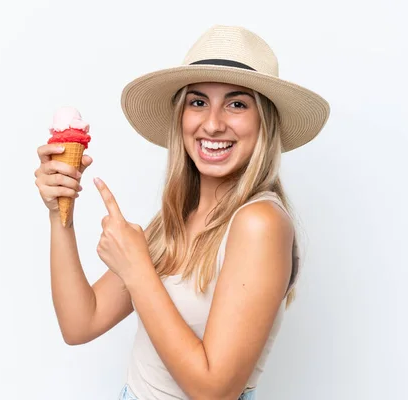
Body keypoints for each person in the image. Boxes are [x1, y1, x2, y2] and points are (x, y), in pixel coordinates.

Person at [34, 25, 329, 400]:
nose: (212, 123)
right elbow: (80, 323)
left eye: (237, 104)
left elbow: (214, 390)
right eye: (198, 102)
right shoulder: (176, 219)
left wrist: (138, 270)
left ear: (264, 123)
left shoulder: (259, 223)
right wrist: (61, 212)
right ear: (181, 116)